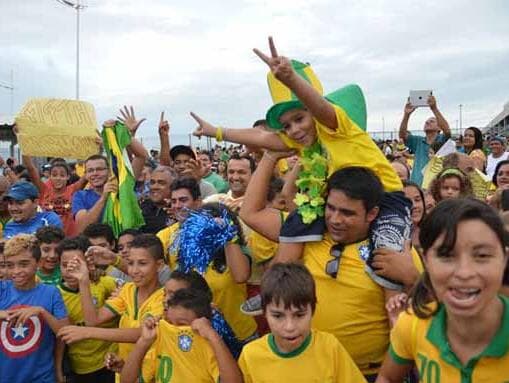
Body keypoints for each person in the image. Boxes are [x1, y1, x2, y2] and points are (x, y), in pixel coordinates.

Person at [193, 37, 411, 292]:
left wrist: (290, 79)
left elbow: (319, 107)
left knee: (387, 262)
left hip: (386, 200)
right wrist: (216, 131)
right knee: (297, 224)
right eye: (286, 125)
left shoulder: (337, 127)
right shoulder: (305, 144)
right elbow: (263, 138)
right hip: (338, 206)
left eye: (299, 119)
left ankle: (396, 314)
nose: (294, 130)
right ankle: (271, 292)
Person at [240, 163, 422, 380]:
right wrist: (270, 156)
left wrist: (413, 278)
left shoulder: (395, 251)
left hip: (374, 375)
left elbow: (421, 316)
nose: (335, 219)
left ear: (372, 213)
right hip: (311, 372)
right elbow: (249, 213)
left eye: (347, 213)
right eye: (331, 208)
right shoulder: (305, 233)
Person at [376, 198, 509, 382]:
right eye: (446, 255)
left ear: (504, 259)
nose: (464, 272)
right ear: (426, 260)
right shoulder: (413, 324)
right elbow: (387, 377)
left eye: (482, 255)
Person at [57, 234, 165, 377]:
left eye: (142, 263)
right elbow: (92, 320)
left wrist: (87, 332)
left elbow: (141, 333)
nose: (134, 270)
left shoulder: (165, 297)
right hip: (127, 373)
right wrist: (83, 280)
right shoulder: (127, 290)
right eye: (131, 263)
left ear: (159, 265)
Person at [239, 263, 366, 382]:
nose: (290, 327)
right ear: (264, 313)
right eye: (278, 316)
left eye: (299, 315)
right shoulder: (250, 356)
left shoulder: (329, 348)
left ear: (313, 310)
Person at [120, 288, 243, 383]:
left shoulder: (208, 344)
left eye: (181, 324)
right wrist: (143, 341)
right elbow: (127, 380)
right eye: (169, 322)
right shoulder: (161, 338)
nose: (173, 328)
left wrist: (213, 337)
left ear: (201, 323)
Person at [0, 234, 69, 383]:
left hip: (42, 376)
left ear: (38, 263)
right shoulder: (2, 290)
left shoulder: (51, 293)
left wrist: (41, 311)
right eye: (10, 265)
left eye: (23, 264)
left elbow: (65, 334)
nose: (16, 271)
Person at [57, 236, 116, 383]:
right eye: (65, 265)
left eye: (76, 265)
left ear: (88, 263)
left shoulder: (105, 283)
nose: (70, 271)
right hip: (80, 369)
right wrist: (58, 369)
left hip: (111, 363)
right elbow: (60, 339)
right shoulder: (55, 295)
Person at [164, 270, 243, 358]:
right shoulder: (164, 317)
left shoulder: (213, 330)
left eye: (173, 295)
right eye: (165, 293)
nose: (165, 300)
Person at [22, 155, 87, 236]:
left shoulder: (73, 189)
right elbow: (30, 169)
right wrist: (24, 149)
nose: (58, 178)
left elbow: (88, 172)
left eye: (62, 175)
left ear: (68, 177)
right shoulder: (44, 191)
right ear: (49, 177)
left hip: (71, 240)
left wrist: (97, 148)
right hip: (49, 239)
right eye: (54, 175)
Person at [399, 95, 451, 186]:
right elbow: (402, 135)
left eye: (432, 121)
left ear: (439, 128)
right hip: (417, 185)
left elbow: (447, 131)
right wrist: (406, 114)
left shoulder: (442, 140)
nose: (427, 122)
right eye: (426, 121)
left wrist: (434, 108)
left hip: (435, 186)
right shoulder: (418, 141)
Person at [139, 166, 175, 234]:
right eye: (152, 182)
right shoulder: (142, 206)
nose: (154, 187)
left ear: (173, 186)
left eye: (161, 183)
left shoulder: (177, 210)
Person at [402, 181, 426, 250]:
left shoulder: (433, 231)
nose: (414, 206)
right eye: (407, 201)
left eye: (417, 200)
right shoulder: (390, 237)